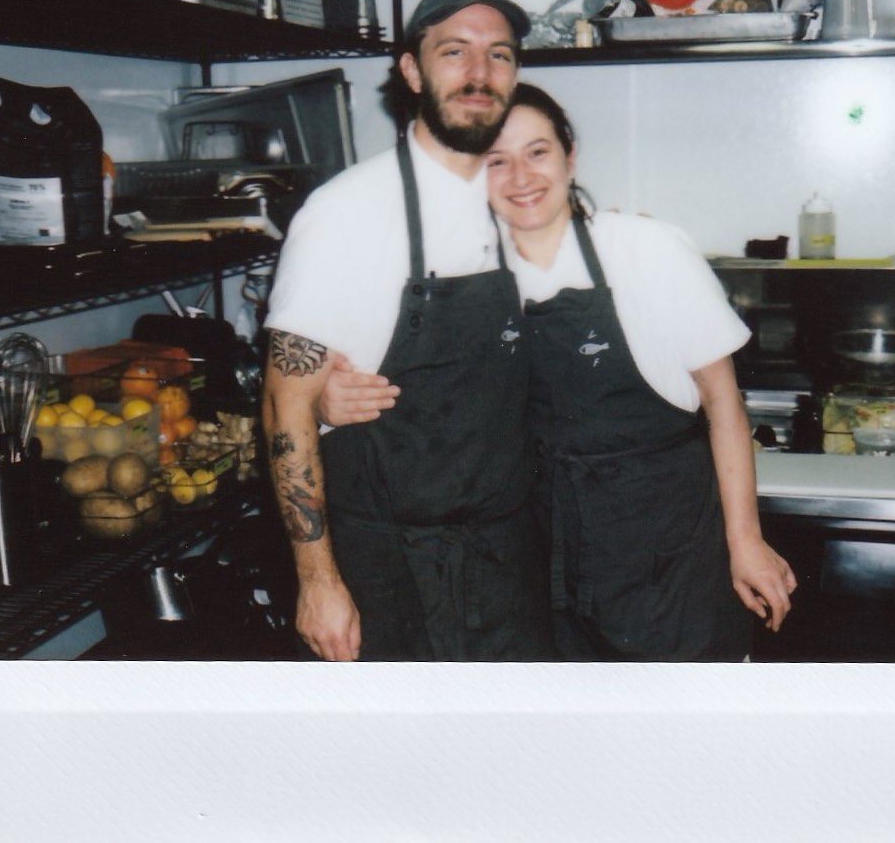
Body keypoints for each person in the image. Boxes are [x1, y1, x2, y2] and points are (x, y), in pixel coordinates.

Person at [326, 83, 797, 662]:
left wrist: (745, 541)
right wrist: (330, 398)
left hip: (667, 550)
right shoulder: (466, 274)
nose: (520, 176)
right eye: (496, 161)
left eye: (538, 152)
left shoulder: (647, 249)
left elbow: (724, 404)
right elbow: (417, 390)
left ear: (570, 156)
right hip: (541, 559)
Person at [261, 0, 551, 662]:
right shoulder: (346, 212)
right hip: (388, 561)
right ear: (413, 70)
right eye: (454, 52)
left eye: (499, 55)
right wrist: (317, 582)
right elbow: (284, 404)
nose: (479, 74)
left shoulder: (523, 202)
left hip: (507, 553)